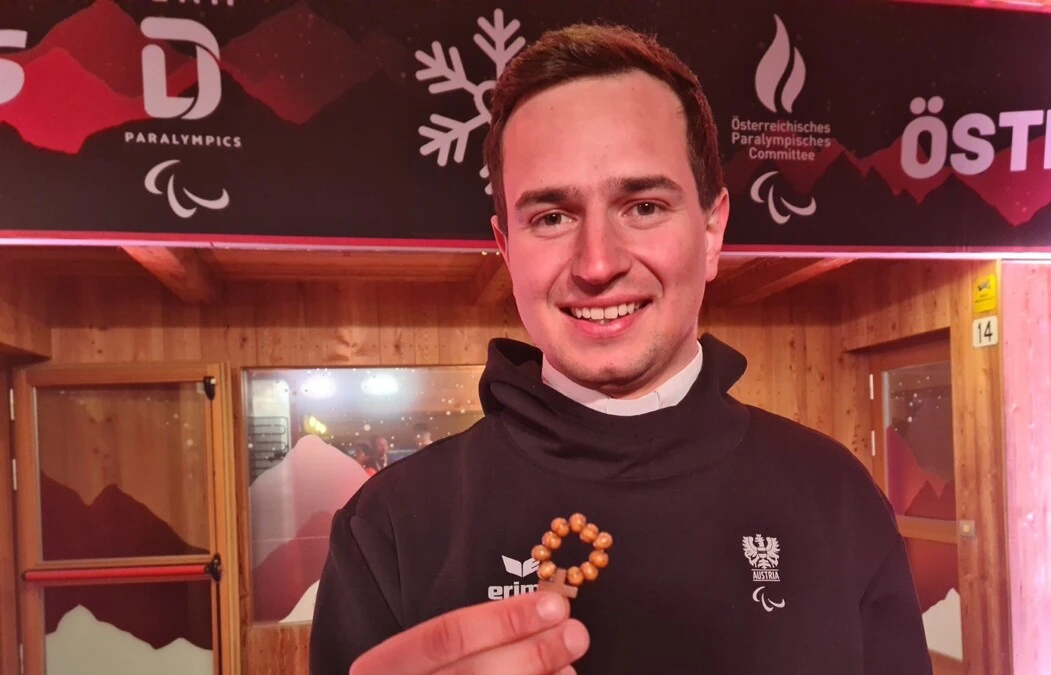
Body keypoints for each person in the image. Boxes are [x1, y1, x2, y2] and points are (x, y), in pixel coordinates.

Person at [310, 22, 932, 675]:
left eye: (643, 206)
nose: (598, 264)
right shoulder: (390, 527)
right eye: (552, 217)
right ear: (506, 249)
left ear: (712, 230)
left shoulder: (835, 497)